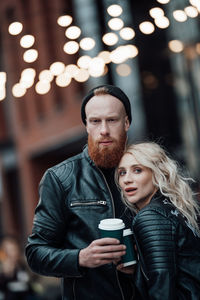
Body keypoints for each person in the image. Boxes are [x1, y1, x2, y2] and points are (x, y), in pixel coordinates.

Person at [26, 84, 135, 300]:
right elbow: (35, 253)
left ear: (126, 123)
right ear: (86, 126)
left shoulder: (149, 172)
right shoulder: (61, 178)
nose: (104, 130)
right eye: (95, 121)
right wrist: (81, 258)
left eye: (111, 120)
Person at [116, 142, 200, 300]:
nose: (127, 179)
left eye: (137, 170)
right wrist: (139, 270)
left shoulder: (150, 216)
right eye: (122, 173)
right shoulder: (175, 208)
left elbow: (162, 286)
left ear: (157, 173)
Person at [0, 235, 43, 300]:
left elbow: (33, 283)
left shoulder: (23, 265)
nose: (12, 253)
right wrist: (6, 274)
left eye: (14, 249)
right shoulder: (3, 268)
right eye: (9, 250)